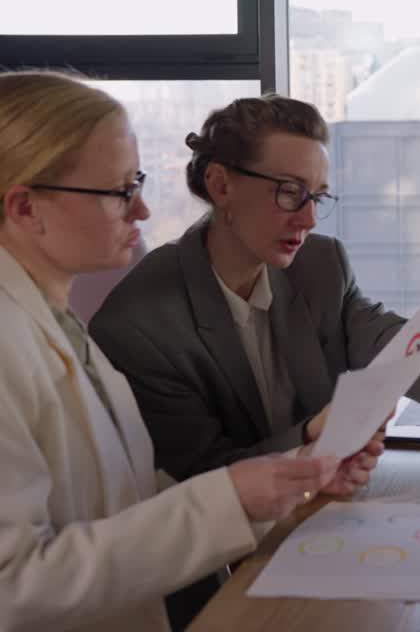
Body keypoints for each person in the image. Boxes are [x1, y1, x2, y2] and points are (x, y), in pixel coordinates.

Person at [89, 95, 420, 489]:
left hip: (323, 513)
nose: (310, 216)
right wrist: (311, 446)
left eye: (317, 195)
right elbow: (197, 482)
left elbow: (400, 346)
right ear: (221, 185)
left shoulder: (317, 264)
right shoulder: (142, 324)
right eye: (290, 191)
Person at [0, 71, 364, 632]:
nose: (143, 212)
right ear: (25, 208)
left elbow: (126, 499)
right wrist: (232, 499)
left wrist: (293, 476)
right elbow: (15, 588)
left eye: (138, 183)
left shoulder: (55, 320)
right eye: (121, 191)